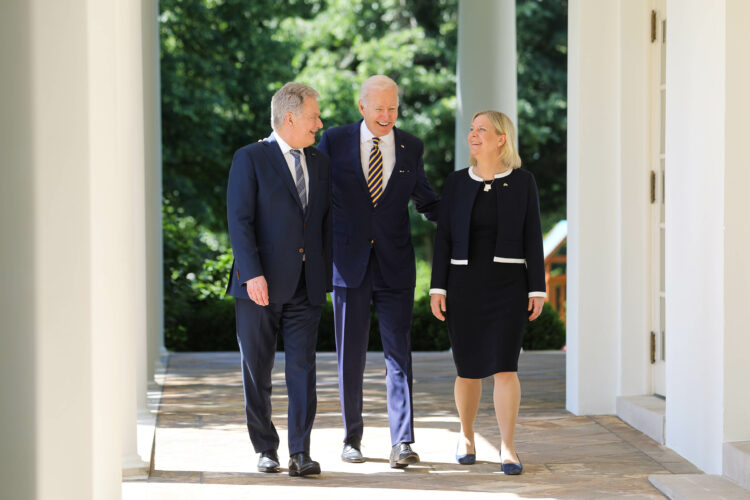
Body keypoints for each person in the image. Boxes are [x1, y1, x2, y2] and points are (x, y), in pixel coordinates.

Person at [317, 75, 440, 468]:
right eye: (379, 108)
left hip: (395, 267)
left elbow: (427, 200)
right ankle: (352, 438)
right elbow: (315, 199)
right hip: (348, 266)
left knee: (399, 356)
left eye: (393, 108)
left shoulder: (411, 147)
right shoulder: (333, 142)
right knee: (349, 356)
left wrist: (468, 216)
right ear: (362, 107)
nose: (387, 116)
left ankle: (402, 441)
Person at [429, 110, 545, 475]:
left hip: (509, 287)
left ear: (501, 139)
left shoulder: (524, 182)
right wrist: (438, 286)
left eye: (482, 130)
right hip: (463, 286)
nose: (473, 135)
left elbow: (532, 237)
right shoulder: (456, 183)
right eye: (472, 129)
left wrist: (538, 288)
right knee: (468, 370)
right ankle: (466, 436)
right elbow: (444, 238)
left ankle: (508, 447)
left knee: (505, 368)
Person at [225, 82, 331, 477]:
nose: (318, 124)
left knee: (303, 369)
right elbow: (240, 221)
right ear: (290, 118)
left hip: (307, 284)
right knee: (258, 368)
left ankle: (300, 452)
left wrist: (325, 275)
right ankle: (265, 447)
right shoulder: (250, 157)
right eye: (313, 116)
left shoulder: (320, 162)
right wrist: (252, 274)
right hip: (259, 286)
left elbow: (324, 223)